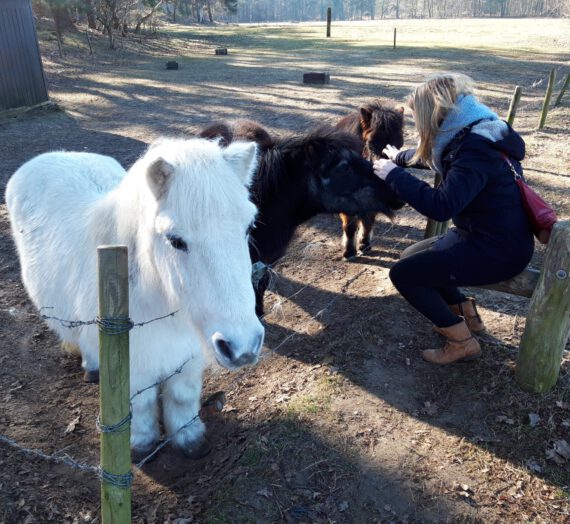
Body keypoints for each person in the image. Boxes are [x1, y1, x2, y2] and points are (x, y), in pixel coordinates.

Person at [373, 73, 534, 365]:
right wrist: (400, 158)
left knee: (403, 274)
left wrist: (395, 176)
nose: (419, 126)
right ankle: (466, 315)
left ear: (434, 114)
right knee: (412, 255)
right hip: (489, 235)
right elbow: (441, 158)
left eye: (418, 118)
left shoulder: (474, 150)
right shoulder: (477, 129)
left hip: (497, 250)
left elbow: (441, 206)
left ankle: (461, 341)